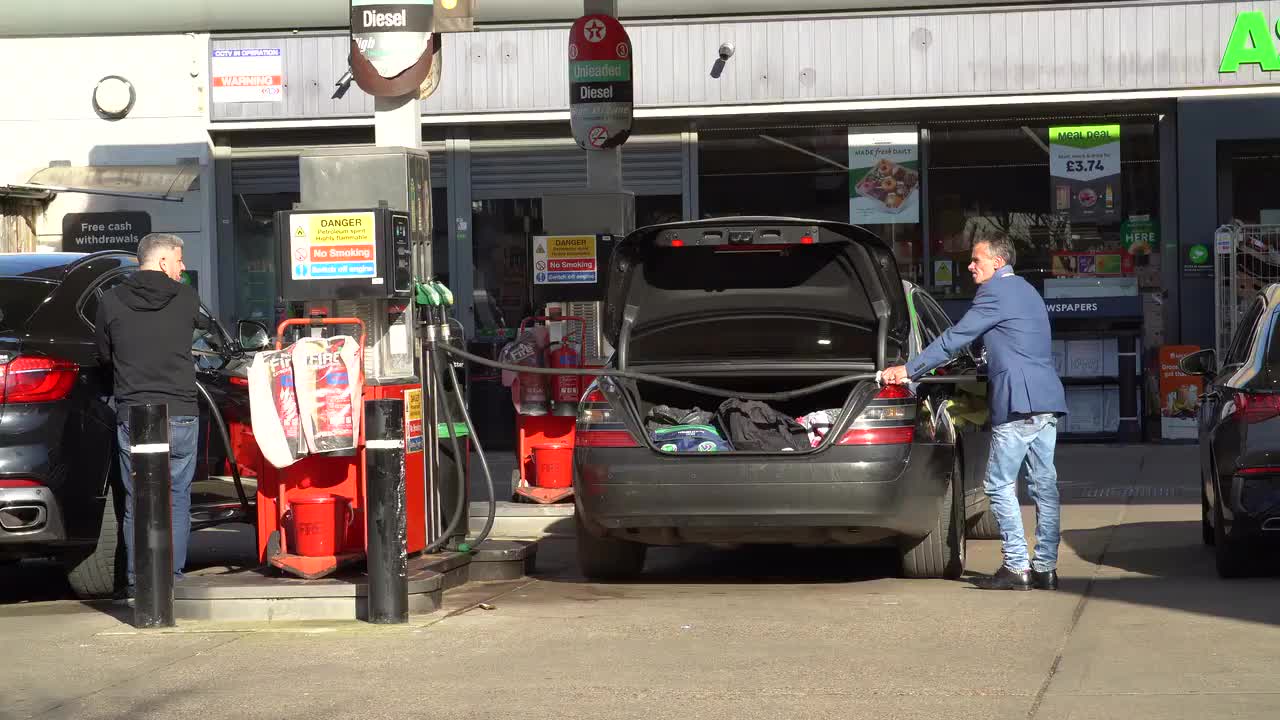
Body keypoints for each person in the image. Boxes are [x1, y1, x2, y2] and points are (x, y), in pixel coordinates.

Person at [882, 235, 1066, 591]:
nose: (970, 266)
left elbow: (957, 337)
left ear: (997, 262)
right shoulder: (1027, 290)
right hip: (1047, 399)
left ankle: (1016, 565)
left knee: (997, 484)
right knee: (1045, 486)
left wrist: (909, 369)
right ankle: (1045, 567)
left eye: (975, 259)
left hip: (1018, 401)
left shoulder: (994, 292)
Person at [95, 233, 207, 597]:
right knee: (176, 496)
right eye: (178, 260)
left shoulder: (110, 301)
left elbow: (104, 356)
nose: (182, 268)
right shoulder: (187, 298)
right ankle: (170, 577)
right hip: (180, 412)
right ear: (161, 262)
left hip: (134, 413)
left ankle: (137, 580)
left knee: (137, 499)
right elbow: (200, 332)